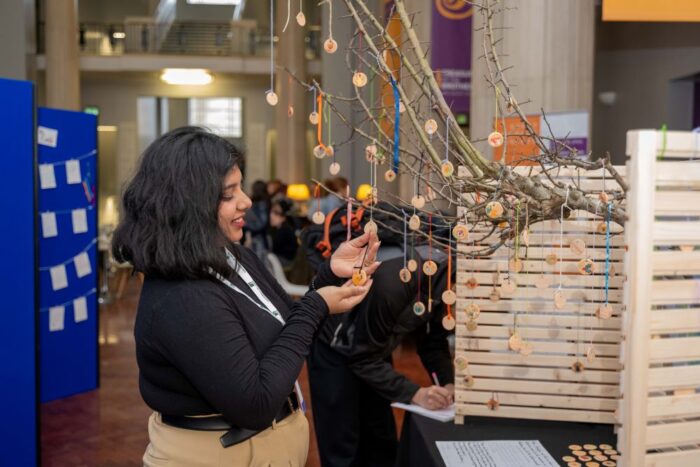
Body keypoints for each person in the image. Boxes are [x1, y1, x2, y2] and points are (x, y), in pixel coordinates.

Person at [111, 127, 380, 467]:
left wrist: (328, 275)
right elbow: (255, 403)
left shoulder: (232, 255)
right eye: (228, 194)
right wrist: (317, 304)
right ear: (187, 205)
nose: (247, 201)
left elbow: (282, 324)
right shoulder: (182, 298)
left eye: (240, 187)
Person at [307, 254, 455, 467]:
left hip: (372, 347)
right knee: (343, 445)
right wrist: (415, 393)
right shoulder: (394, 284)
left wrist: (447, 382)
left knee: (381, 440)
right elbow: (362, 358)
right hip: (334, 350)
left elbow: (432, 343)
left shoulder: (448, 292)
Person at [269, 197, 298, 267]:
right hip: (280, 259)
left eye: (276, 213)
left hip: (287, 261)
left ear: (284, 217)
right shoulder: (277, 228)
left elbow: (274, 250)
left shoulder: (286, 230)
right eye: (271, 212)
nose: (271, 215)